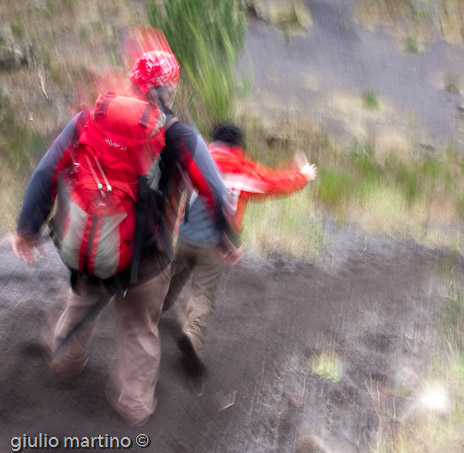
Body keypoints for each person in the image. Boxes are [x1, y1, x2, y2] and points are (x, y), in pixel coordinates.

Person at [11, 50, 238, 426]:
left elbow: (47, 170)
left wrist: (27, 229)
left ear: (134, 81)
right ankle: (132, 407)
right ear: (168, 90)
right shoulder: (178, 133)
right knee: (138, 332)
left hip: (90, 250)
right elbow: (213, 188)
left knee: (78, 306)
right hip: (147, 262)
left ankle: (64, 367)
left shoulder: (90, 118)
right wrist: (224, 238)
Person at [162, 123, 317, 380]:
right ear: (238, 146)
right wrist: (302, 176)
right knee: (202, 296)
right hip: (216, 246)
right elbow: (271, 183)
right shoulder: (242, 169)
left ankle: (149, 314)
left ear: (214, 140)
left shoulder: (196, 158)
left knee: (169, 279)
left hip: (185, 235)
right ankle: (191, 336)